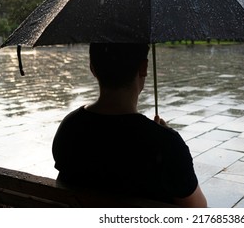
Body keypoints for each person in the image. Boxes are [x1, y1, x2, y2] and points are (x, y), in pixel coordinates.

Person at [52, 42, 207, 208]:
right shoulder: (165, 144)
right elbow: (198, 209)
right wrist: (166, 137)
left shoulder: (70, 127)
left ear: (92, 68)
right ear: (144, 68)